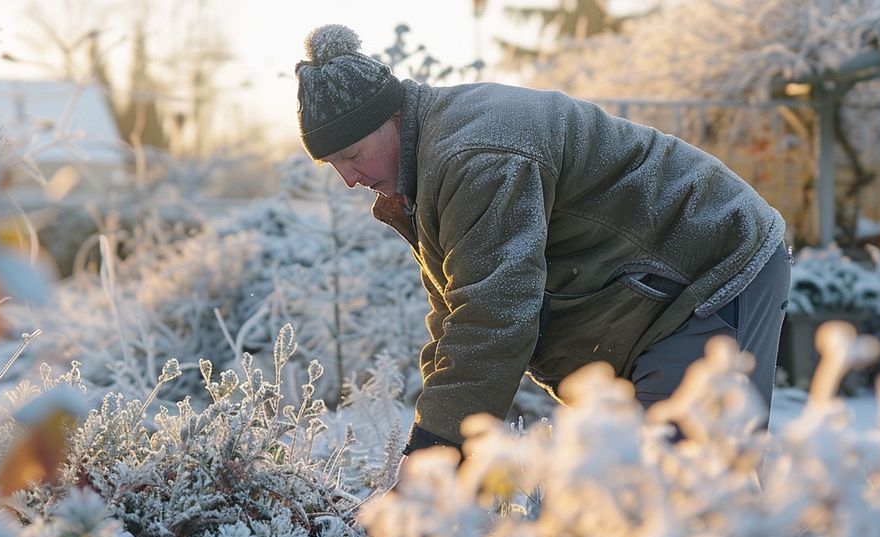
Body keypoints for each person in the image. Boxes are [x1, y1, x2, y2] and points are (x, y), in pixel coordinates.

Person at [294, 24, 792, 458]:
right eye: (333, 164)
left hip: (710, 267)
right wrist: (434, 442)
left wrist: (437, 455)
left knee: (680, 482)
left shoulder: (476, 156)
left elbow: (496, 316)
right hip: (646, 297)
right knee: (621, 494)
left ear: (393, 119)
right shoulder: (427, 172)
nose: (349, 180)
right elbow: (459, 314)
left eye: (353, 154)